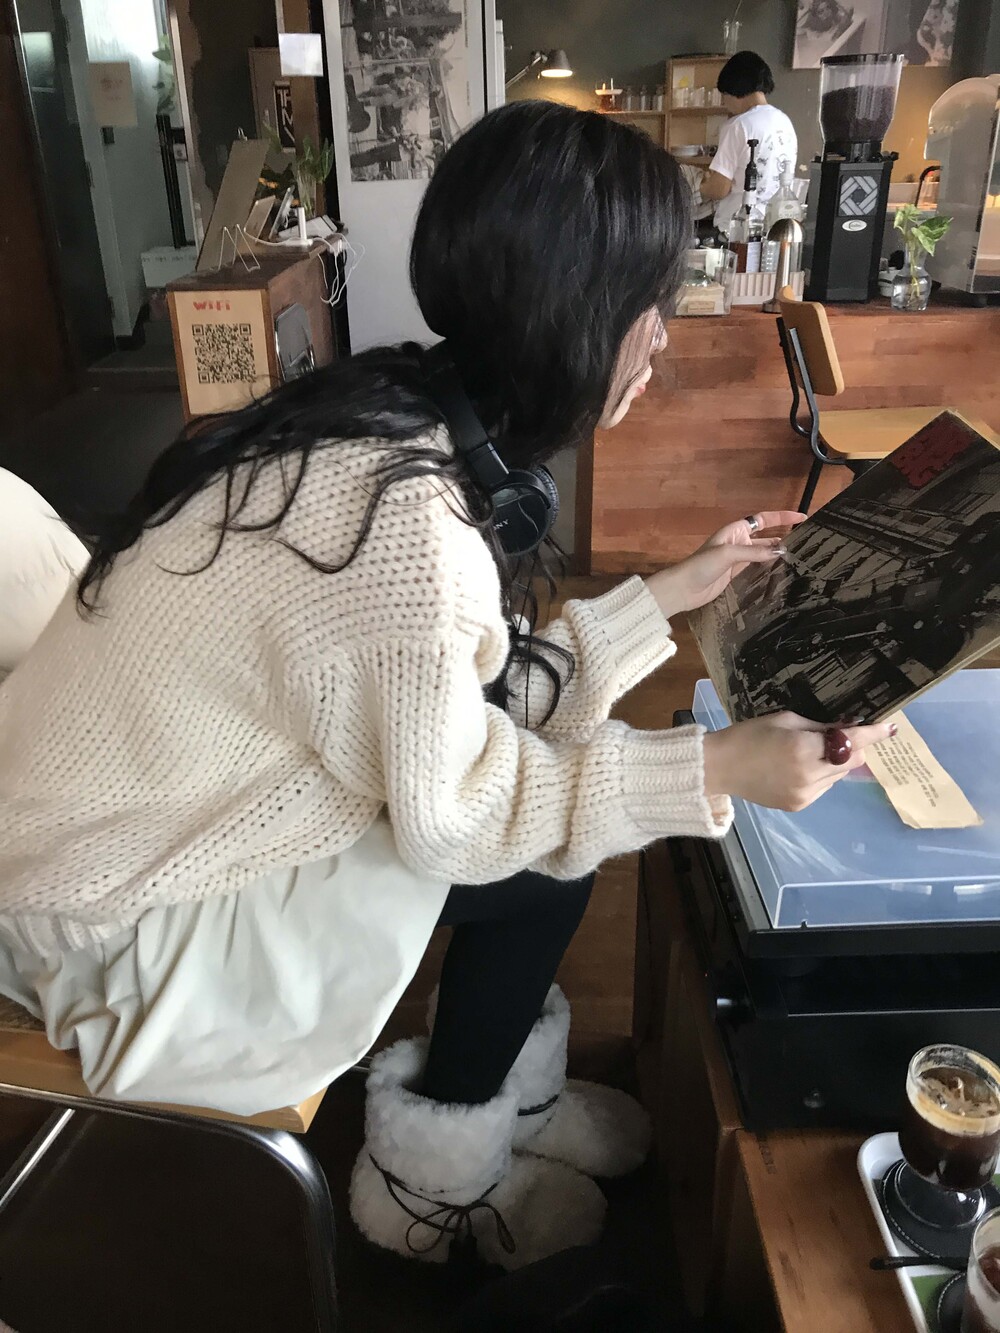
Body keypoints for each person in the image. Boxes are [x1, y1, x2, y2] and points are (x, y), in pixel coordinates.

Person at [0, 102, 891, 1272]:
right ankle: (432, 1183)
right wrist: (716, 765)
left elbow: (459, 702)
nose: (661, 340)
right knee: (536, 865)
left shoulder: (384, 410)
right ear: (580, 317)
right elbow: (465, 813)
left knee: (551, 847)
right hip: (98, 917)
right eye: (653, 305)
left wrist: (675, 587)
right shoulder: (404, 528)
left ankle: (499, 1101)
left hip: (109, 831)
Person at [700, 51, 798, 238]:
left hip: (737, 230)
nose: (725, 103)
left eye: (724, 95)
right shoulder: (785, 123)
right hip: (776, 227)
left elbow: (719, 189)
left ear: (734, 89)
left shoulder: (738, 126)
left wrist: (703, 186)